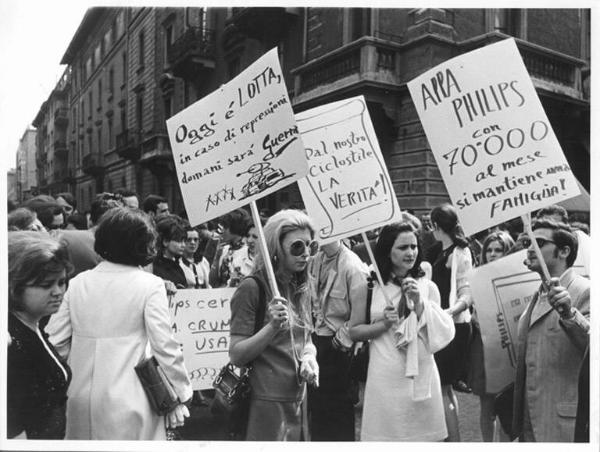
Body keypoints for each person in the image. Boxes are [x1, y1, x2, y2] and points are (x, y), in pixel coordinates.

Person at [46, 207, 192, 440]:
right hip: (133, 396)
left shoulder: (77, 283)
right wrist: (183, 391)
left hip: (79, 397)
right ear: (143, 244)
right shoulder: (150, 285)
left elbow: (55, 343)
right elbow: (165, 346)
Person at [349, 222, 455, 441]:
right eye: (403, 247)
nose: (410, 253)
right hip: (386, 375)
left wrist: (419, 302)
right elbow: (354, 331)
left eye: (414, 246)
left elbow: (441, 331)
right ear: (388, 251)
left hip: (421, 374)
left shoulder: (427, 286)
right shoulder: (369, 286)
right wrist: (382, 325)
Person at [229, 209, 319, 441]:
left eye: (311, 245)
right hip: (265, 402)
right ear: (276, 249)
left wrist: (309, 359)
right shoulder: (251, 287)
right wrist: (271, 327)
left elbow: (306, 339)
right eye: (297, 246)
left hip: (299, 397)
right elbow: (237, 355)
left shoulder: (302, 285)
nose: (306, 254)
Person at [512, 220, 589, 442]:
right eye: (528, 242)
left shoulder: (585, 291)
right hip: (531, 422)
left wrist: (569, 315)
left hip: (563, 425)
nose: (529, 248)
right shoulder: (537, 294)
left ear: (564, 251)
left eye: (539, 242)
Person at [7, 232, 73, 439]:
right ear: (14, 287)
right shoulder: (11, 343)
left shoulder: (34, 323)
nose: (58, 292)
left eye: (62, 282)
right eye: (46, 285)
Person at [307, 239, 368, 441]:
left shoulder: (353, 266)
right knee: (317, 409)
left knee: (339, 411)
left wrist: (339, 343)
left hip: (338, 347)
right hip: (316, 342)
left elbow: (359, 317)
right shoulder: (315, 260)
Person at [428, 203, 473, 441]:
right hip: (443, 323)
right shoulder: (440, 251)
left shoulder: (459, 252)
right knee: (443, 389)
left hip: (452, 325)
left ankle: (453, 442)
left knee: (444, 389)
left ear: (436, 226)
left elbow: (467, 291)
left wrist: (448, 312)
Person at [467, 231, 514, 442]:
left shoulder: (516, 276)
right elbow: (474, 313)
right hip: (484, 346)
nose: (493, 254)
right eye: (489, 250)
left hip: (509, 346)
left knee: (508, 404)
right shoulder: (477, 277)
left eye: (499, 250)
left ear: (508, 251)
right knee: (487, 406)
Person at [209, 208, 252, 287]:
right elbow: (212, 282)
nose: (222, 231)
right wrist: (217, 258)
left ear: (234, 227)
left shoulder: (248, 251)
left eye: (225, 227)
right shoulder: (224, 249)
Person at [152, 214, 188, 289]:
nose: (183, 245)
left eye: (184, 241)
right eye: (179, 241)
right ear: (165, 241)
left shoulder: (177, 267)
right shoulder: (153, 266)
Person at [180, 223, 210, 289]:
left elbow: (208, 285)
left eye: (196, 240)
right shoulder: (179, 262)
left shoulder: (203, 261)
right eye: (189, 240)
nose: (193, 243)